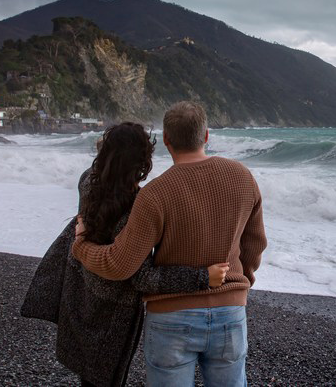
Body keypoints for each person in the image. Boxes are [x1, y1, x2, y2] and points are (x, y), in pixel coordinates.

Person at [73, 102, 267, 387]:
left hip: (171, 318)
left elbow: (119, 264)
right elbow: (255, 244)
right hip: (230, 312)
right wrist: (239, 284)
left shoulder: (154, 194)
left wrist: (80, 246)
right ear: (206, 136)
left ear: (166, 140)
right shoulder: (242, 177)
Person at [22, 122, 230, 387]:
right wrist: (202, 277)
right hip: (114, 308)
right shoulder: (138, 206)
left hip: (79, 289)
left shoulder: (88, 181)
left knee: (88, 374)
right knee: (105, 379)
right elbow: (142, 278)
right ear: (144, 161)